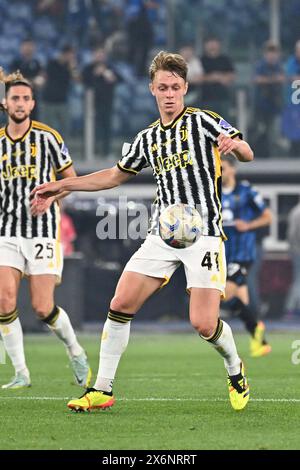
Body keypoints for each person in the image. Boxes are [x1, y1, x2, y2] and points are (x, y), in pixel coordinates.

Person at [33, 51, 254, 412]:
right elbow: (114, 175)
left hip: (204, 234)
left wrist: (236, 147)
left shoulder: (204, 122)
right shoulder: (148, 137)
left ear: (185, 88)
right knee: (120, 304)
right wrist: (64, 186)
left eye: (176, 87)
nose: (170, 93)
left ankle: (234, 368)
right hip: (162, 234)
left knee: (202, 323)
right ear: (152, 89)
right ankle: (102, 390)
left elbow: (247, 152)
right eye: (163, 87)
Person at [0, 70, 91, 389]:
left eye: (26, 98)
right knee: (4, 300)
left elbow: (72, 180)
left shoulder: (48, 137)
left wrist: (51, 194)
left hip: (42, 231)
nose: (21, 103)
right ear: (5, 102)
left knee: (42, 307)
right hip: (7, 232)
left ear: (33, 103)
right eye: (15, 98)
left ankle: (75, 349)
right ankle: (21, 372)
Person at [221, 156, 272, 357]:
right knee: (240, 301)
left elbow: (268, 217)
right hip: (223, 254)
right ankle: (259, 339)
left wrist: (248, 225)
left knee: (223, 294)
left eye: (223, 168)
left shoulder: (246, 191)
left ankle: (256, 330)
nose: (220, 172)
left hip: (242, 253)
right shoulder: (214, 193)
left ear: (232, 169)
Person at [285, 199, 300, 318]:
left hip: (295, 250)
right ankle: (290, 309)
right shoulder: (297, 212)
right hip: (298, 251)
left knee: (297, 281)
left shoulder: (294, 211)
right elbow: (293, 234)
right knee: (298, 281)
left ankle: (292, 310)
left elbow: (290, 235)